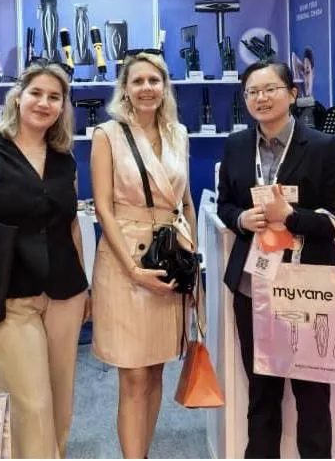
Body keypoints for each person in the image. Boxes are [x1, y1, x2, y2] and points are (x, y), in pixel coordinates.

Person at [0, 61, 89, 460]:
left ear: (63, 107)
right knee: (32, 405)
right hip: (11, 294)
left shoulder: (63, 158)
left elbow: (71, 224)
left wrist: (86, 286)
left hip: (65, 292)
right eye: (36, 93)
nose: (44, 103)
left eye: (54, 97)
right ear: (18, 97)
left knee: (60, 403)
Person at [217, 59, 335, 459]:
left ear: (292, 94)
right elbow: (225, 204)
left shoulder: (323, 148)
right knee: (261, 389)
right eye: (252, 92)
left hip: (307, 287)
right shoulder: (236, 145)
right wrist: (240, 219)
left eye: (270, 89)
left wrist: (291, 217)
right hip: (253, 286)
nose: (260, 98)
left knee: (312, 392)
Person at [89, 50, 197, 459]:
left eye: (154, 80)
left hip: (170, 257)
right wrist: (133, 270)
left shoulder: (178, 133)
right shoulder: (107, 135)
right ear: (125, 89)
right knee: (133, 374)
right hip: (126, 259)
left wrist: (192, 262)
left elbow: (185, 201)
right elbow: (103, 208)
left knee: (155, 369)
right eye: (138, 81)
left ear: (165, 87)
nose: (147, 88)